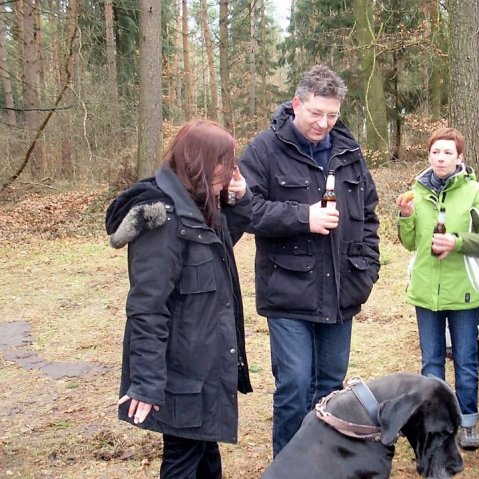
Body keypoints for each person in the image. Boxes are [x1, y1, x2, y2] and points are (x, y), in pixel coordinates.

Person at [239, 64, 380, 456]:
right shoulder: (264, 150)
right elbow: (246, 211)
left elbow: (368, 212)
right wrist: (304, 217)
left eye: (331, 115)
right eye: (316, 113)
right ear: (296, 104)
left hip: (342, 288)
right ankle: (289, 464)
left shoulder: (348, 151)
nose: (323, 123)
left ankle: (323, 462)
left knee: (332, 386)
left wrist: (368, 268)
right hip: (289, 291)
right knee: (295, 386)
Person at [105, 119, 253, 479]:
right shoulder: (163, 221)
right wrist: (146, 382)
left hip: (205, 367)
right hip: (180, 372)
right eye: (225, 163)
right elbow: (147, 308)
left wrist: (239, 199)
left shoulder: (198, 207)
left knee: (205, 454)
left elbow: (220, 246)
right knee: (184, 460)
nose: (232, 171)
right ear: (200, 163)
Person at [396, 127, 479, 450]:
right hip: (426, 290)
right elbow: (409, 243)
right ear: (428, 156)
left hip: (464, 291)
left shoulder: (477, 194)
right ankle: (436, 424)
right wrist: (405, 217)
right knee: (431, 362)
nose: (440, 158)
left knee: (465, 360)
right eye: (435, 152)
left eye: (447, 153)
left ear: (459, 158)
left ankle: (468, 422)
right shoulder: (416, 192)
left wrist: (457, 243)